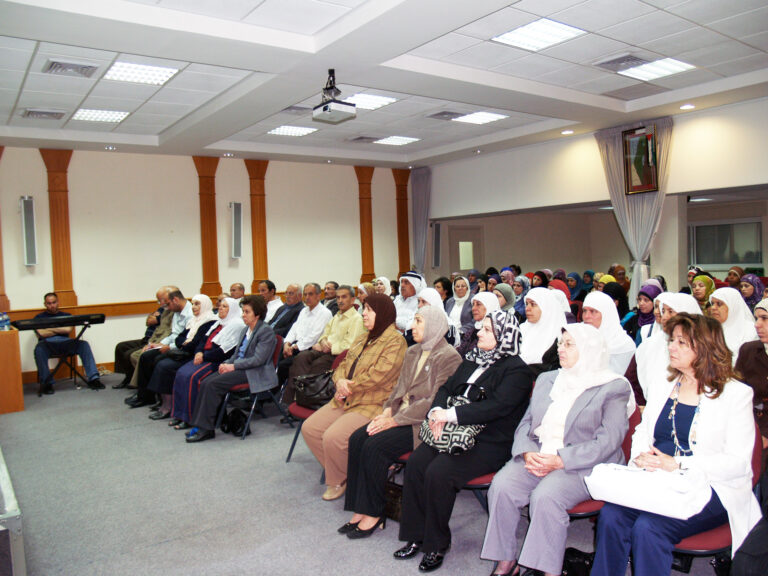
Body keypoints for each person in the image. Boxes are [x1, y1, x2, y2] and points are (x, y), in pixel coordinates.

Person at [591, 313, 762, 576]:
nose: (671, 347)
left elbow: (738, 464)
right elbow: (643, 430)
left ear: (705, 348)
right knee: (612, 517)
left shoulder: (735, 394)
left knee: (649, 528)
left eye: (681, 342)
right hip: (657, 479)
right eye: (672, 340)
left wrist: (677, 464)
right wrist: (641, 457)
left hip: (711, 486)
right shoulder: (664, 384)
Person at [482, 323, 631, 576]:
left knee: (546, 497)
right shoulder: (547, 379)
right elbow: (527, 422)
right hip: (540, 451)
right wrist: (526, 451)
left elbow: (609, 441)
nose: (561, 349)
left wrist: (561, 461)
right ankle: (506, 561)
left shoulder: (613, 387)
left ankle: (547, 570)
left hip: (584, 462)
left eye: (569, 344)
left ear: (589, 349)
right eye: (560, 343)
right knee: (502, 486)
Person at [395, 309, 534, 573]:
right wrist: (437, 411)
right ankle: (415, 535)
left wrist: (450, 415)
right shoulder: (471, 359)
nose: (479, 332)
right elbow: (446, 388)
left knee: (439, 472)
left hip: (489, 440)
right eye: (481, 327)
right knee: (416, 464)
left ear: (505, 336)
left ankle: (437, 544)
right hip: (451, 431)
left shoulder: (517, 371)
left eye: (487, 330)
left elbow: (497, 407)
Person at [340, 306, 462, 538]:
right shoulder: (413, 351)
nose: (411, 326)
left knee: (374, 446)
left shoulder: (449, 357)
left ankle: (374, 512)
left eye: (418, 321)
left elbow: (433, 401)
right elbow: (399, 389)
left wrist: (395, 421)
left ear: (434, 325)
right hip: (398, 415)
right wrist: (387, 411)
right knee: (357, 439)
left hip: (421, 423)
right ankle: (359, 508)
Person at [302, 294, 407, 501]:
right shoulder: (363, 337)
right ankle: (349, 473)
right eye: (364, 309)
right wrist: (339, 381)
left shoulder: (396, 341)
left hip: (372, 402)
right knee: (310, 429)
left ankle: (338, 479)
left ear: (382, 313)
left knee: (333, 437)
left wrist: (348, 386)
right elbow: (342, 365)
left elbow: (380, 375)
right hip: (346, 397)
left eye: (369, 310)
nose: (363, 314)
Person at [185, 295, 277, 443]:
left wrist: (233, 366)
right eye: (243, 311)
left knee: (213, 385)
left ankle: (206, 429)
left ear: (257, 314)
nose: (243, 315)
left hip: (255, 372)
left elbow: (258, 360)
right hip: (240, 368)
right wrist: (226, 364)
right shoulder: (245, 330)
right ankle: (201, 424)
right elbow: (236, 354)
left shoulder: (265, 332)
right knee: (206, 382)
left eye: (247, 312)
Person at [282, 285, 364, 407]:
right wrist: (322, 341)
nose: (340, 300)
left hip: (338, 355)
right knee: (301, 357)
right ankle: (292, 399)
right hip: (324, 350)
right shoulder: (337, 316)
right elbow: (324, 334)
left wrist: (330, 347)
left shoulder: (356, 319)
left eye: (344, 297)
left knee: (316, 365)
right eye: (338, 297)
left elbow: (349, 346)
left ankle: (306, 400)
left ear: (352, 300)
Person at [170, 297, 244, 430]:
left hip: (216, 361)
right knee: (181, 373)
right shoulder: (217, 323)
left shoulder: (237, 325)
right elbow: (203, 341)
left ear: (232, 309)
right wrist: (199, 352)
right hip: (204, 357)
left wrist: (203, 356)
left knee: (192, 377)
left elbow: (224, 352)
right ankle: (180, 415)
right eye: (220, 306)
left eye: (225, 306)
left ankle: (190, 418)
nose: (220, 308)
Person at [146, 294, 218, 420]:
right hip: (184, 352)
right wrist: (184, 343)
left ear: (205, 305)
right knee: (158, 360)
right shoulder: (193, 320)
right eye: (193, 304)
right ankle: (163, 401)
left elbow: (194, 344)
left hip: (194, 355)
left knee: (165, 366)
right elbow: (179, 338)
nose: (194, 307)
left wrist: (184, 343)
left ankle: (168, 406)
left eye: (197, 304)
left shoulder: (209, 321)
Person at [125, 289, 193, 408]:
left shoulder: (190, 314)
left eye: (168, 304)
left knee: (155, 360)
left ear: (175, 300)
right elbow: (174, 334)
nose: (167, 308)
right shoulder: (177, 311)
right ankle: (145, 396)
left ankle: (158, 399)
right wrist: (160, 344)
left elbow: (187, 339)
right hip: (173, 344)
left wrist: (168, 346)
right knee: (146, 356)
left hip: (182, 349)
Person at [33, 292, 104, 394]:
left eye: (54, 302)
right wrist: (59, 329)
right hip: (47, 344)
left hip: (66, 343)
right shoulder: (38, 317)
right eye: (49, 303)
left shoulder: (66, 315)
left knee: (84, 345)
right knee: (39, 350)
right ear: (45, 304)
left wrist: (49, 329)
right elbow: (41, 334)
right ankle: (47, 383)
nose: (52, 305)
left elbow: (67, 330)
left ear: (58, 302)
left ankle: (94, 379)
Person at [113, 287, 169, 389]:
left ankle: (134, 381)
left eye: (160, 300)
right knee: (121, 347)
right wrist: (154, 318)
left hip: (155, 340)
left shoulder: (171, 310)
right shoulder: (162, 308)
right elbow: (148, 321)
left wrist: (156, 318)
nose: (159, 303)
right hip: (146, 337)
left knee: (128, 354)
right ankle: (127, 377)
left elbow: (159, 322)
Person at [278, 283, 333, 385]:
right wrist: (287, 343)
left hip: (309, 348)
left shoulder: (325, 313)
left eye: (310, 294)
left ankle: (276, 392)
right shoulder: (304, 311)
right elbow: (294, 329)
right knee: (276, 355)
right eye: (305, 294)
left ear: (318, 296)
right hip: (295, 345)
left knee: (283, 366)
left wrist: (293, 347)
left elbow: (314, 337)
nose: (307, 297)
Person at [735, 298, 768, 453]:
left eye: (764, 318)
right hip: (750, 425)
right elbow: (737, 393)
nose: (757, 324)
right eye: (756, 318)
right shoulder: (749, 350)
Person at [582, 291, 635, 374]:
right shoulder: (579, 338)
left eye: (592, 311)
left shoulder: (624, 344)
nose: (586, 316)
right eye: (584, 311)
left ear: (606, 313)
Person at [519, 287, 565, 377]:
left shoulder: (559, 337)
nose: (527, 308)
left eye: (533, 304)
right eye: (526, 304)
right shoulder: (521, 329)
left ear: (546, 307)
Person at [709, 287, 758, 362]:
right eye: (712, 303)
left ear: (732, 305)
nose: (713, 308)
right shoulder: (710, 328)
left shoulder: (750, 329)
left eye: (719, 304)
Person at [456, 292, 500, 357]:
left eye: (478, 304)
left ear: (490, 306)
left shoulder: (496, 334)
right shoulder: (472, 331)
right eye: (473, 305)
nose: (473, 308)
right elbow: (459, 352)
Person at [622, 280, 663, 344]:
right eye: (639, 299)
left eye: (646, 300)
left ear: (655, 302)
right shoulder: (633, 320)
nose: (641, 303)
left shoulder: (659, 322)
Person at [394, 272, 424, 337]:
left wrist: (396, 327)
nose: (402, 285)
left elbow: (413, 326)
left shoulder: (420, 302)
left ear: (415, 285)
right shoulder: (397, 299)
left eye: (406, 282)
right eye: (401, 282)